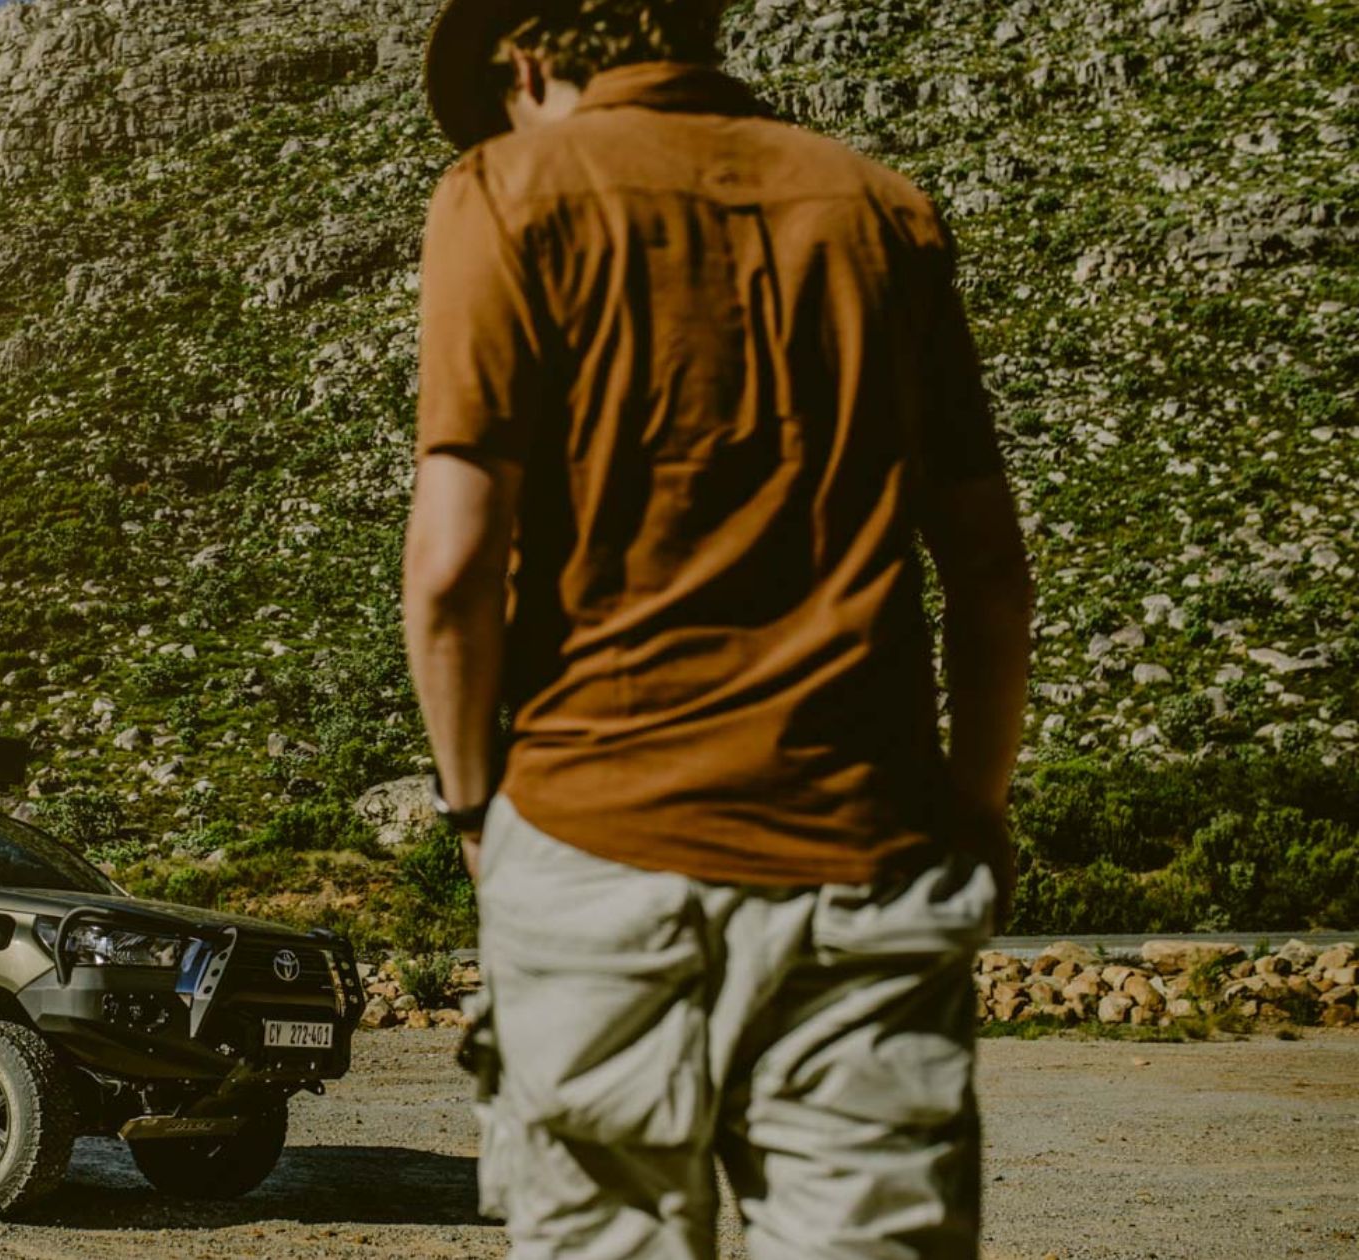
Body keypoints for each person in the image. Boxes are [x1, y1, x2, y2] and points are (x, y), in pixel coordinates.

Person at [400, 1, 1034, 1256]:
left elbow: (450, 566)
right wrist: (971, 811)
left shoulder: (506, 190)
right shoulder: (880, 211)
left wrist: (476, 817)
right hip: (860, 858)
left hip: (596, 842)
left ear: (525, 59)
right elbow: (989, 574)